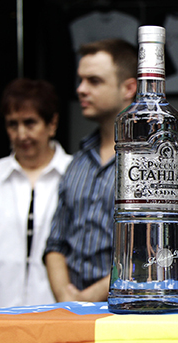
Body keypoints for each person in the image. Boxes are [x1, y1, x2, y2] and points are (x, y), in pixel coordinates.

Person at [44, 39, 137, 302]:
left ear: (129, 87)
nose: (81, 89)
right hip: (70, 311)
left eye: (94, 81)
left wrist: (88, 298)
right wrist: (66, 296)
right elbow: (55, 243)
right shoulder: (78, 161)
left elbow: (152, 252)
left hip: (126, 311)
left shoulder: (150, 160)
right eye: (81, 80)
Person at [0, 78, 72, 309]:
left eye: (30, 123)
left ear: (52, 123)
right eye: (12, 124)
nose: (21, 134)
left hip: (56, 313)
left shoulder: (74, 174)